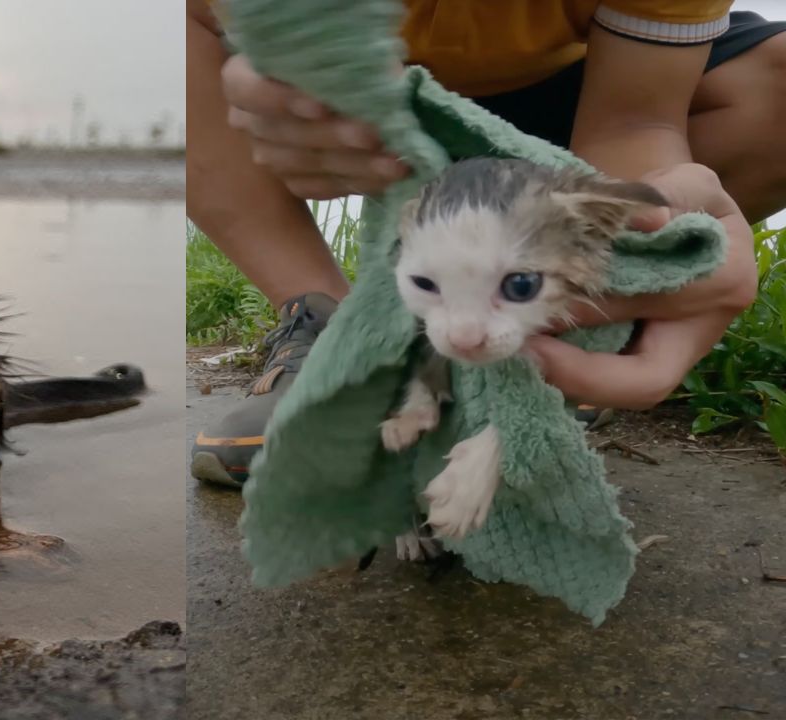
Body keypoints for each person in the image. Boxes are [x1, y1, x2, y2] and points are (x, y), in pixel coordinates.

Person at [188, 0, 785, 486]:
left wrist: (643, 249)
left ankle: (573, 325)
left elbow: (634, 123)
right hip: (336, 95)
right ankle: (328, 322)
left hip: (572, 82)